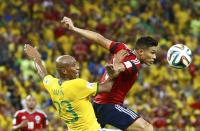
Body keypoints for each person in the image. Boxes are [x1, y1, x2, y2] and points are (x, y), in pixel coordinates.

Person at [61, 16, 158, 131]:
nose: (154, 57)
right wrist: (115, 66)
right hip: (110, 105)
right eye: (152, 53)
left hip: (97, 105)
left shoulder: (122, 48)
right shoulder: (135, 62)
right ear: (141, 52)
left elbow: (98, 38)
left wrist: (74, 28)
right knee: (147, 128)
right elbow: (120, 68)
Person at [24, 44, 127, 131]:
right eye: (73, 65)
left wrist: (36, 59)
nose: (77, 67)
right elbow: (108, 87)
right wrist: (115, 67)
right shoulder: (77, 85)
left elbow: (43, 74)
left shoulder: (52, 84)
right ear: (64, 71)